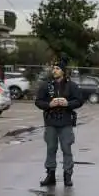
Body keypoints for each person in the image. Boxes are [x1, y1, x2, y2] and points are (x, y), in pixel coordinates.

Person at [34, 58, 82, 187]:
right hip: (51, 122)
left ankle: (67, 175)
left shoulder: (71, 85)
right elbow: (38, 102)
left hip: (66, 122)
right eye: (53, 68)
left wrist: (68, 103)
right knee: (51, 148)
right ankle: (50, 174)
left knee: (66, 148)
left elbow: (79, 101)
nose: (54, 70)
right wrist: (49, 104)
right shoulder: (46, 85)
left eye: (57, 68)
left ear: (63, 71)